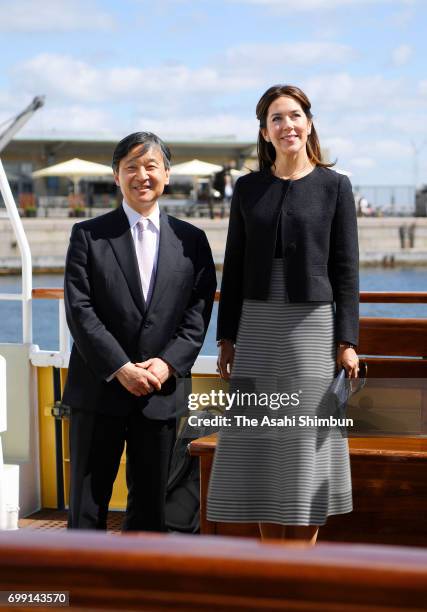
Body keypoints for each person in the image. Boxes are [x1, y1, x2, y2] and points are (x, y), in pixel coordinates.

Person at [207, 85, 359, 545]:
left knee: (305, 443)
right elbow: (232, 266)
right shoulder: (248, 188)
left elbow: (347, 269)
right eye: (276, 118)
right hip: (255, 327)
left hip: (313, 329)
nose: (287, 124)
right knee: (262, 442)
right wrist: (226, 336)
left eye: (294, 115)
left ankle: (301, 567)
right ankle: (273, 565)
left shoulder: (335, 186)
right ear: (264, 131)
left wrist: (347, 340)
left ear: (308, 123)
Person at [63, 132, 216, 531]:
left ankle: (139, 588)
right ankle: (81, 588)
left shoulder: (192, 241)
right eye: (131, 166)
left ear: (167, 174)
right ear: (116, 176)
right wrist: (120, 367)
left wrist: (167, 365)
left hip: (159, 391)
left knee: (150, 506)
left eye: (151, 166)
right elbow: (80, 310)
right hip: (99, 388)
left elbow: (197, 312)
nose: (141, 175)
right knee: (86, 503)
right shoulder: (88, 235)